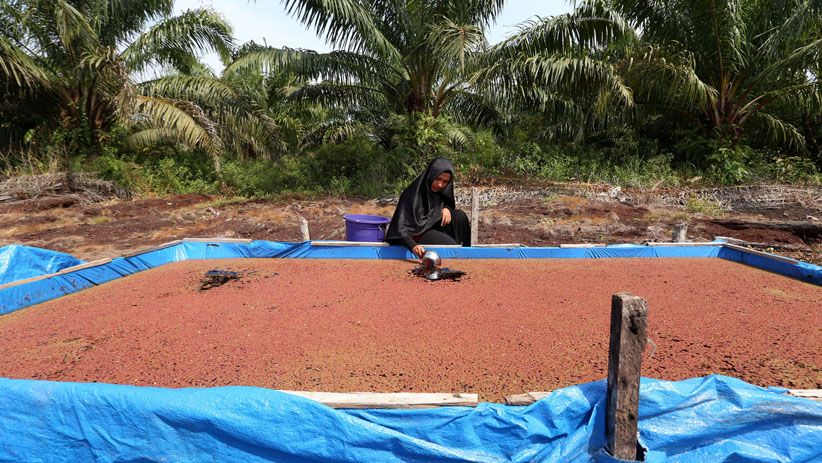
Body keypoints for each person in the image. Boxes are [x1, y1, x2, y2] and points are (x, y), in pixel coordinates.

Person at [385, 158, 471, 259]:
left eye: (445, 182)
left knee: (459, 215)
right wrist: (412, 246)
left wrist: (446, 208)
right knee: (452, 247)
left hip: (434, 227)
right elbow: (399, 228)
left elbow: (447, 203)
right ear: (430, 175)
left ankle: (466, 255)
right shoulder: (411, 195)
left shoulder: (440, 193)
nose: (440, 185)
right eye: (438, 179)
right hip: (417, 235)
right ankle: (457, 254)